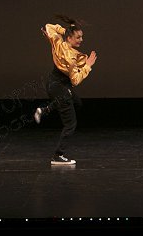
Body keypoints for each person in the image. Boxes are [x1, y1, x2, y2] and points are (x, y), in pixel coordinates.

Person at [33, 14, 97, 165]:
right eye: (78, 37)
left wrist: (64, 31)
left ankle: (45, 110)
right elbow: (75, 80)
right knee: (71, 124)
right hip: (60, 87)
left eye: (81, 36)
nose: (81, 40)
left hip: (54, 82)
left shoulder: (58, 42)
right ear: (69, 38)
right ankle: (58, 155)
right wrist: (88, 65)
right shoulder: (72, 58)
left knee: (77, 103)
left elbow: (48, 27)